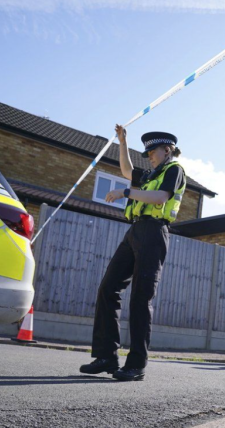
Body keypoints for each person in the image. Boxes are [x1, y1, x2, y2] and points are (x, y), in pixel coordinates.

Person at [80, 125, 186, 381]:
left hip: (154, 232)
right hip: (135, 231)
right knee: (108, 288)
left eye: (153, 151)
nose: (149, 156)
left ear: (167, 149)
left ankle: (136, 364)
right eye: (147, 152)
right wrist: (122, 142)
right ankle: (106, 356)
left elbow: (161, 197)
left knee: (141, 297)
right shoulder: (149, 175)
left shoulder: (175, 170)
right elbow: (127, 171)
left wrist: (125, 192)